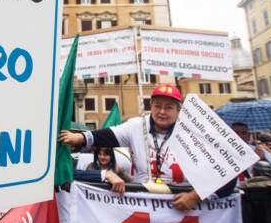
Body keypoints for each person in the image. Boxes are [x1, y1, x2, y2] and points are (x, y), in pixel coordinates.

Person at [60, 84, 233, 211]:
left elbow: (227, 173)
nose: (162, 112)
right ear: (151, 106)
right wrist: (79, 137)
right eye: (157, 106)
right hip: (146, 206)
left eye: (169, 107)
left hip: (185, 207)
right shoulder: (137, 126)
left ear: (179, 110)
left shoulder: (194, 133)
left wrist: (195, 197)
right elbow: (108, 134)